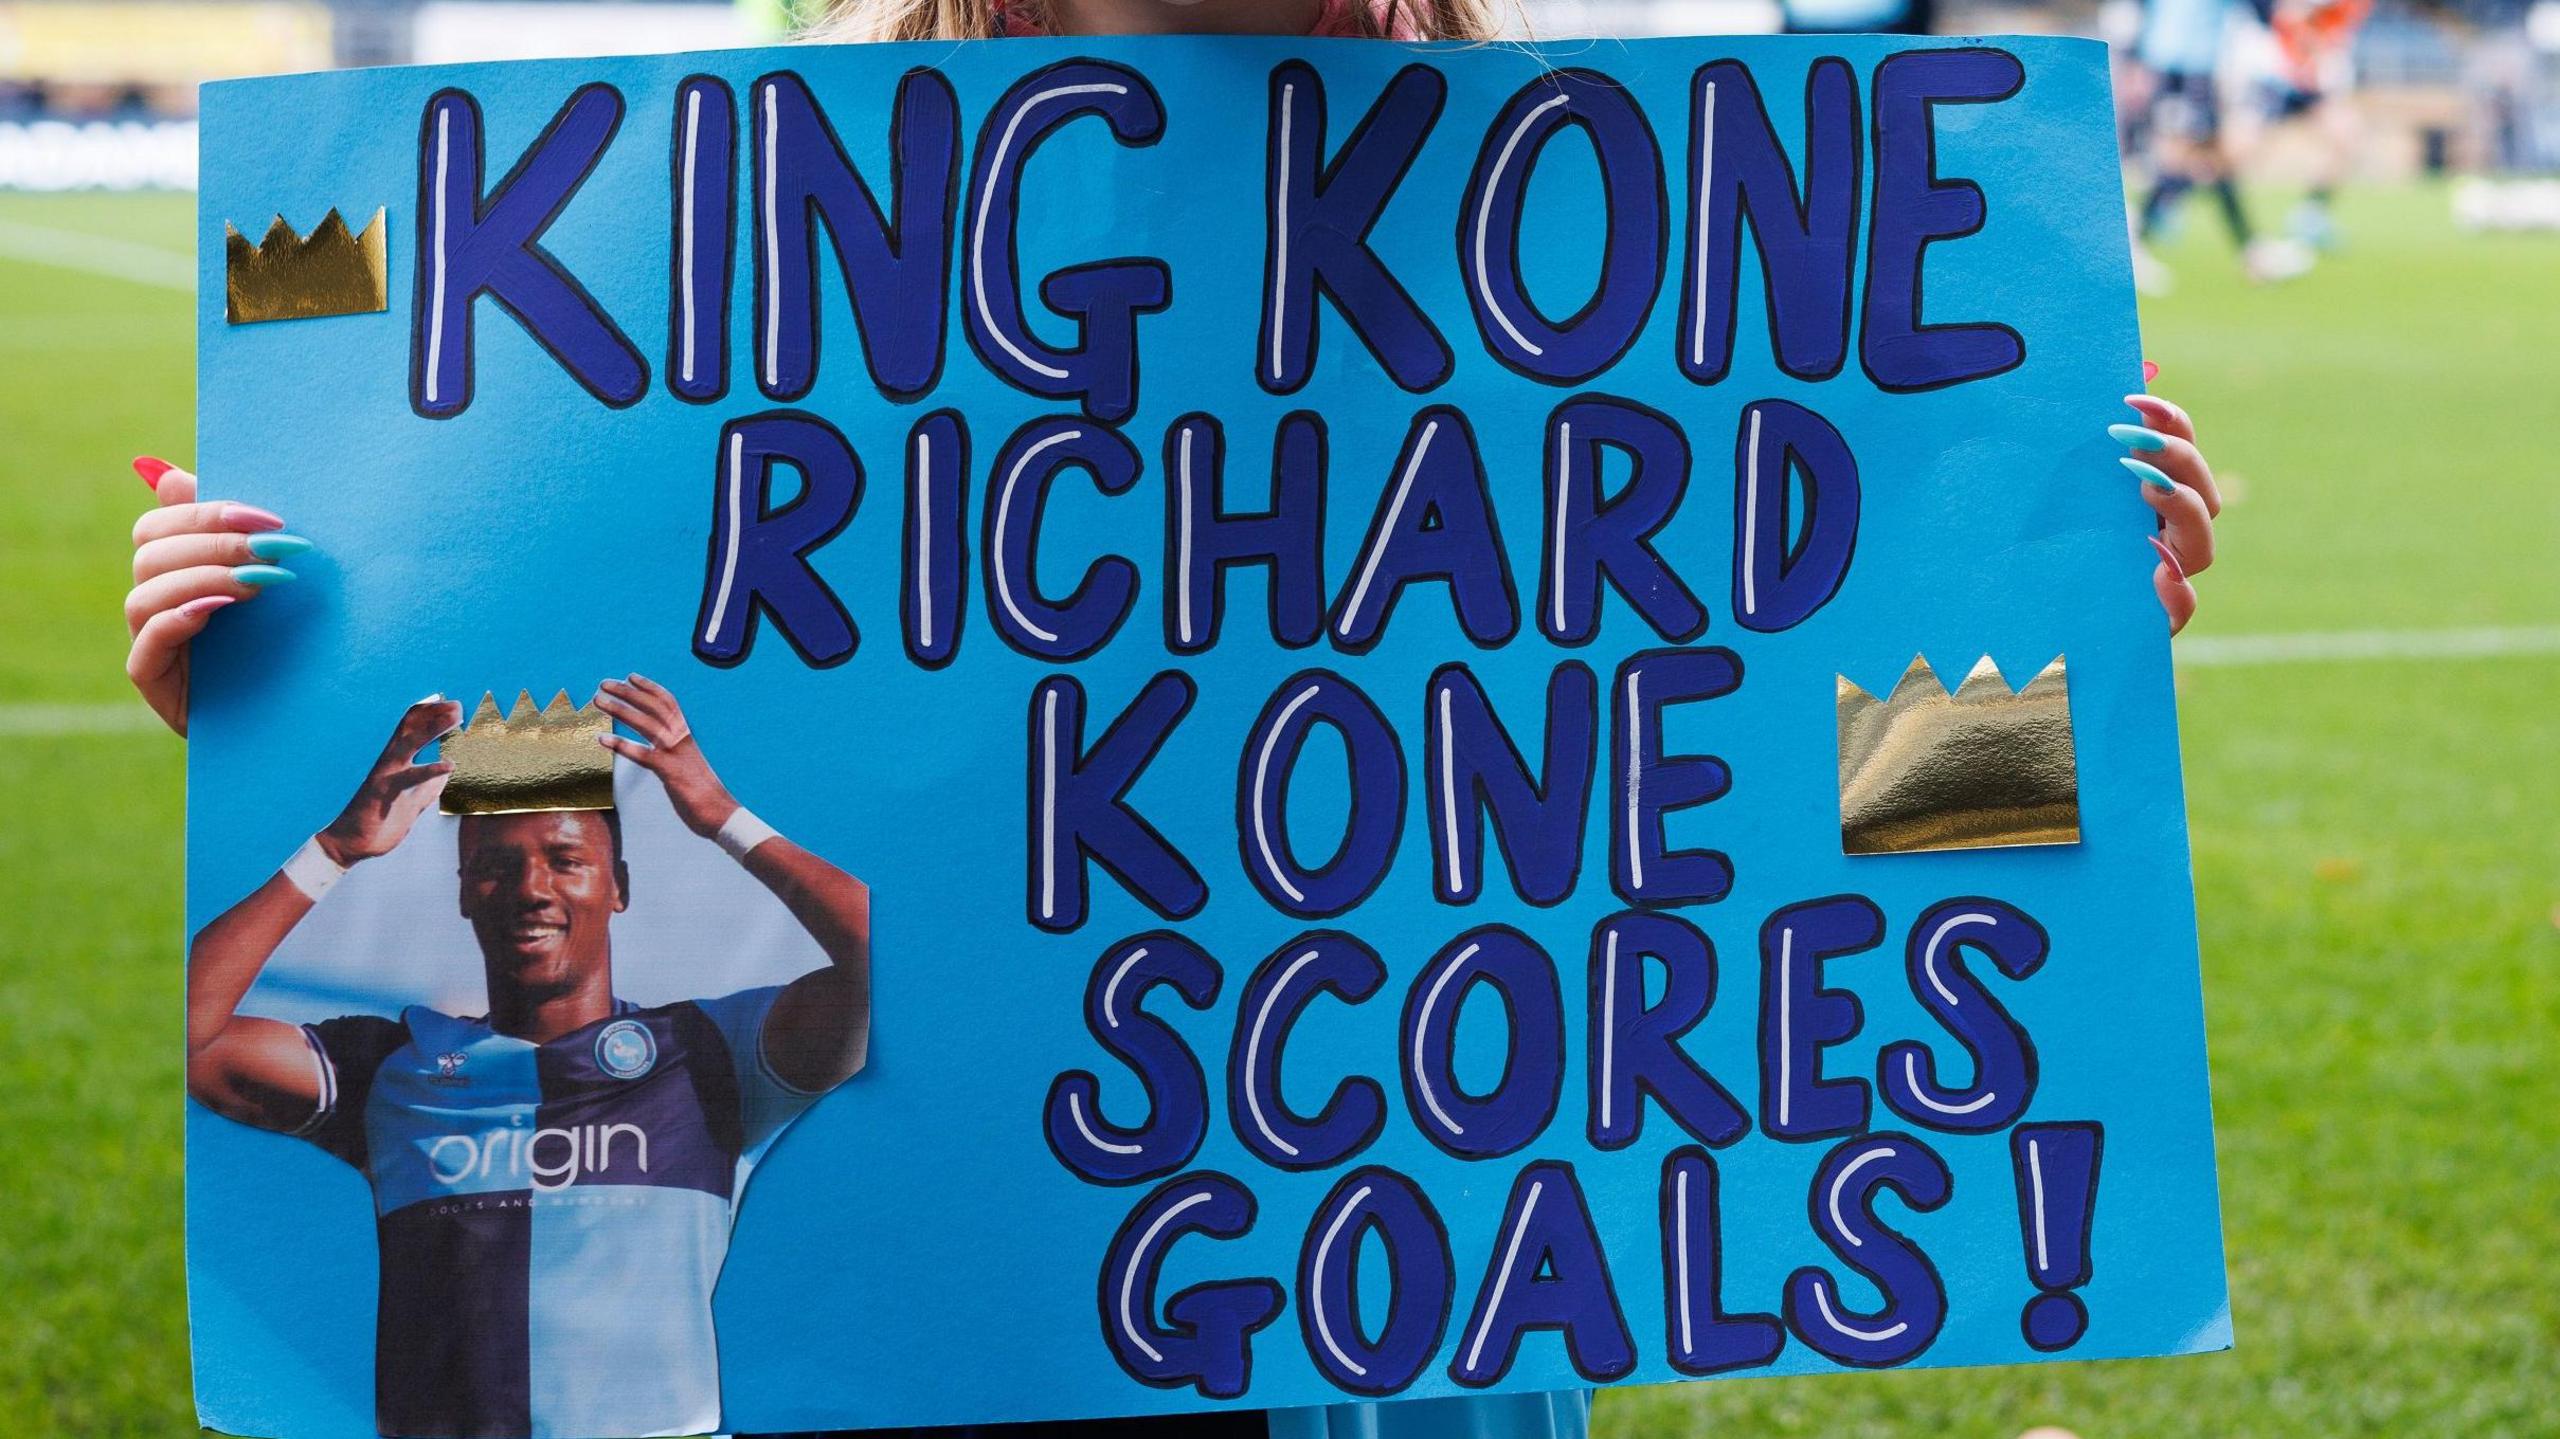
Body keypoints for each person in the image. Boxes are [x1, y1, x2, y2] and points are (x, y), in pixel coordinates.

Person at [128, 0, 2231, 1434]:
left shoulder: (1597, 235)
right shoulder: (735, 248)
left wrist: (2031, 648)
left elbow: (1724, 803)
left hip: (1406, 1301)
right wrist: (284, 700)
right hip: (978, 1301)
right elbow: (570, 742)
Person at [183, 679, 874, 1439]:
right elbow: (192, 1038)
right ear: (462, 894)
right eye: (495, 866)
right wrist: (334, 850)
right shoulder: (391, 1067)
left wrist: (723, 819)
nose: (531, 890)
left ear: (621, 886)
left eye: (564, 858)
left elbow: (891, 970)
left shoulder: (710, 1055)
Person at [2129, 0, 2314, 289]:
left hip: (2180, 67)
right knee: (2191, 158)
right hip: (2182, 68)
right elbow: (2266, 12)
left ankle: (2252, 250)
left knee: (2210, 161)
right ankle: (2133, 240)